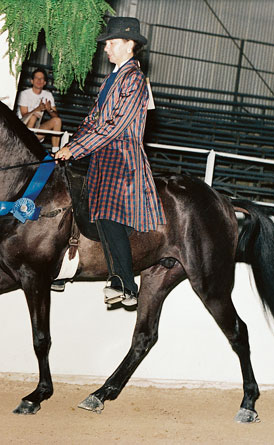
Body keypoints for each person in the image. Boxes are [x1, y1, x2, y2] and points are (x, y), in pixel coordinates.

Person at [55, 17, 166, 307]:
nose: (106, 47)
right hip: (103, 155)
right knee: (95, 211)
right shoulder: (113, 78)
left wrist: (77, 149)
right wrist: (71, 144)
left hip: (122, 156)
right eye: (107, 42)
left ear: (130, 45)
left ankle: (125, 282)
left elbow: (114, 126)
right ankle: (110, 277)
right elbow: (93, 120)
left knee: (108, 214)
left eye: (112, 42)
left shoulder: (135, 80)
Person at [16, 68, 62, 152]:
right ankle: (25, 147)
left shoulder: (48, 95)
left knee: (57, 120)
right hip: (21, 129)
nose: (39, 80)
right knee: (34, 116)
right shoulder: (24, 94)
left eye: (42, 78)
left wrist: (49, 110)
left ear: (45, 82)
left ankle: (55, 152)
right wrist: (37, 109)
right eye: (37, 78)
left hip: (36, 130)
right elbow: (24, 115)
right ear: (32, 81)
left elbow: (56, 116)